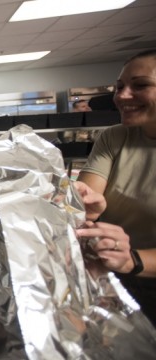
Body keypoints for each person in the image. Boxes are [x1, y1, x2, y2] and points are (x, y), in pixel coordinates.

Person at [75, 49, 156, 326]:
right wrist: (85, 207)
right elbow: (85, 200)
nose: (122, 96)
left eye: (141, 85)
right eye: (119, 87)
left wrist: (132, 260)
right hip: (109, 277)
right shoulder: (115, 137)